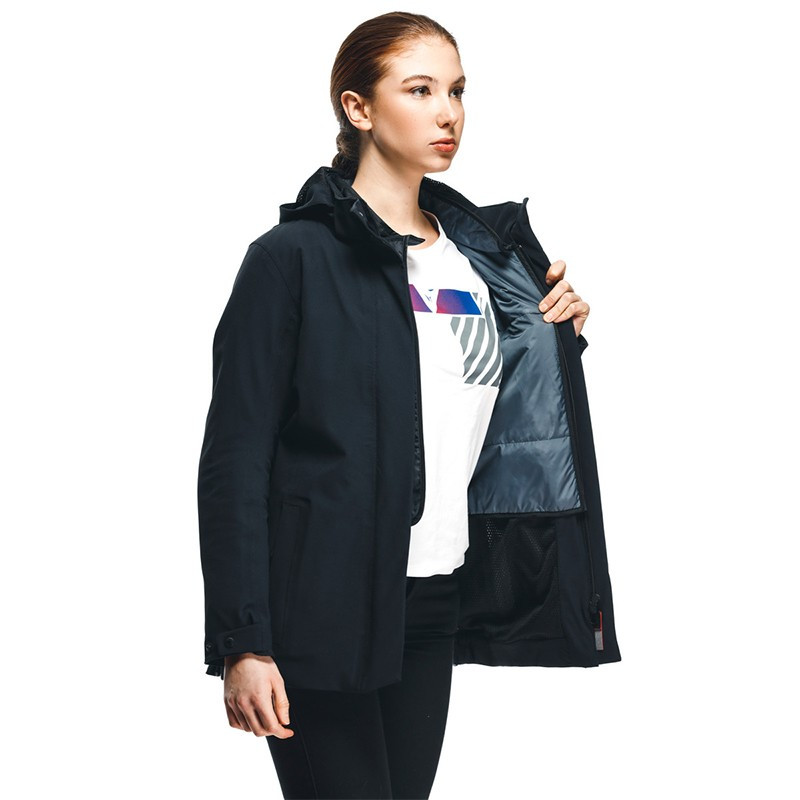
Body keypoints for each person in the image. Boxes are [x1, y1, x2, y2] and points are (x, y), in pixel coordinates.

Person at [197, 11, 621, 800]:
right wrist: (242, 642)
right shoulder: (291, 259)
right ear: (358, 108)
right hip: (320, 601)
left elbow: (473, 410)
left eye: (457, 91)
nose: (447, 112)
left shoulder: (487, 260)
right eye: (419, 90)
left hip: (434, 596)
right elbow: (235, 460)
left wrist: (556, 339)